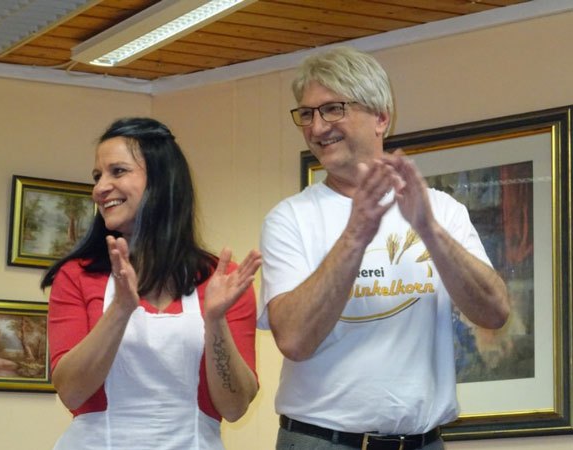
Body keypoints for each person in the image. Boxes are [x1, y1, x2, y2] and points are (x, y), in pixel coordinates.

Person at [258, 46, 510, 450]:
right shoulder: (289, 219)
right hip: (321, 440)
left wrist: (429, 230)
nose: (317, 127)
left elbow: (494, 312)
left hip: (423, 442)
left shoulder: (442, 210)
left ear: (381, 117)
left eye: (333, 109)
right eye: (307, 114)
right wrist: (356, 234)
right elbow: (294, 340)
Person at [41, 117, 261, 450]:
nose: (100, 188)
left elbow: (234, 407)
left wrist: (215, 320)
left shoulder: (221, 280)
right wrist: (121, 309)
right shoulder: (77, 276)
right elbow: (71, 392)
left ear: (162, 179)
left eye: (117, 171)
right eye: (98, 176)